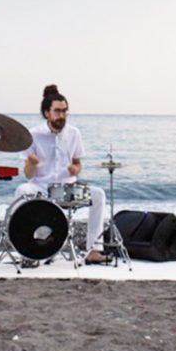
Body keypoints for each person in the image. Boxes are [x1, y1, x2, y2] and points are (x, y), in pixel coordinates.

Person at [15, 85, 110, 265]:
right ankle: (28, 251)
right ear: (47, 113)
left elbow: (77, 163)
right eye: (57, 111)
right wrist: (32, 164)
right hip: (41, 188)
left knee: (98, 195)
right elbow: (28, 175)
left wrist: (75, 169)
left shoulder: (74, 133)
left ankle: (94, 250)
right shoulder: (33, 135)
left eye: (65, 111)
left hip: (67, 189)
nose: (62, 115)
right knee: (22, 190)